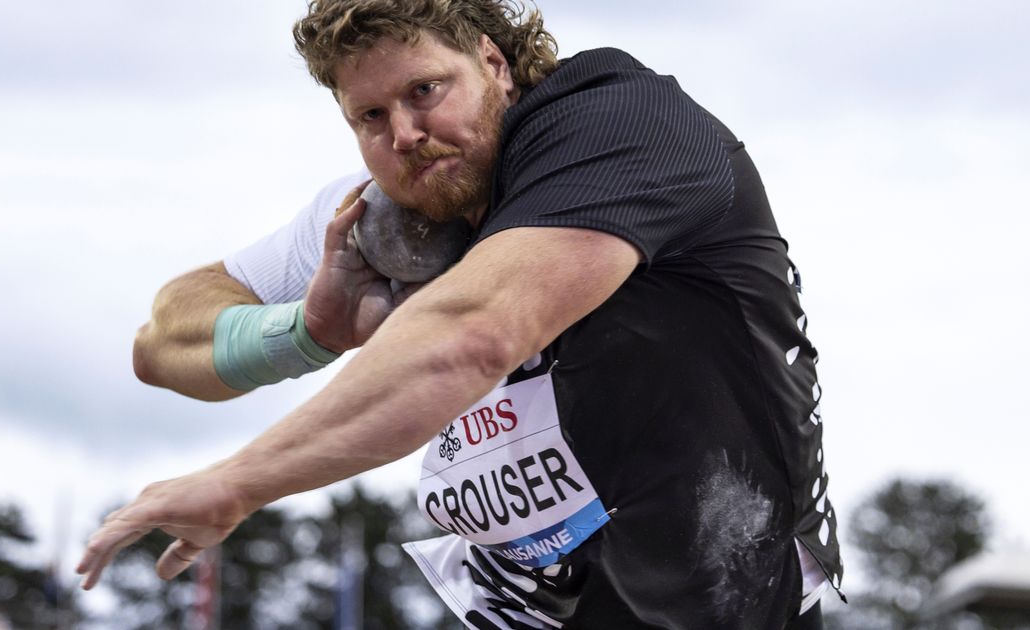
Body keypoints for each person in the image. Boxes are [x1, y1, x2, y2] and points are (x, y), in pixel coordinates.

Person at [77, 1, 844, 627]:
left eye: (424, 91)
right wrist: (304, 335)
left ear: (494, 62)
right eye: (369, 116)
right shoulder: (386, 215)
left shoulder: (621, 131)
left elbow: (467, 338)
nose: (405, 135)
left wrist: (239, 482)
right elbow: (164, 339)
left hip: (726, 598)